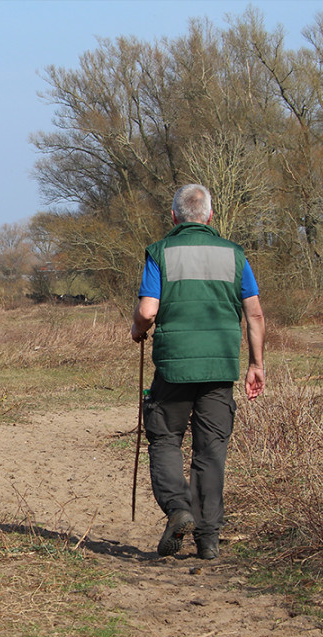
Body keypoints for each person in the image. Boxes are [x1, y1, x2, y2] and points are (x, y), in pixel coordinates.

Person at [130, 184, 265, 560]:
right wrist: (256, 364)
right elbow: (254, 313)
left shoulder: (160, 252)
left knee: (165, 438)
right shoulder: (234, 255)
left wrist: (137, 331)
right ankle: (208, 539)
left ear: (174, 217)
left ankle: (178, 509)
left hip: (173, 367)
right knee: (211, 449)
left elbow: (147, 311)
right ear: (208, 217)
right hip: (220, 365)